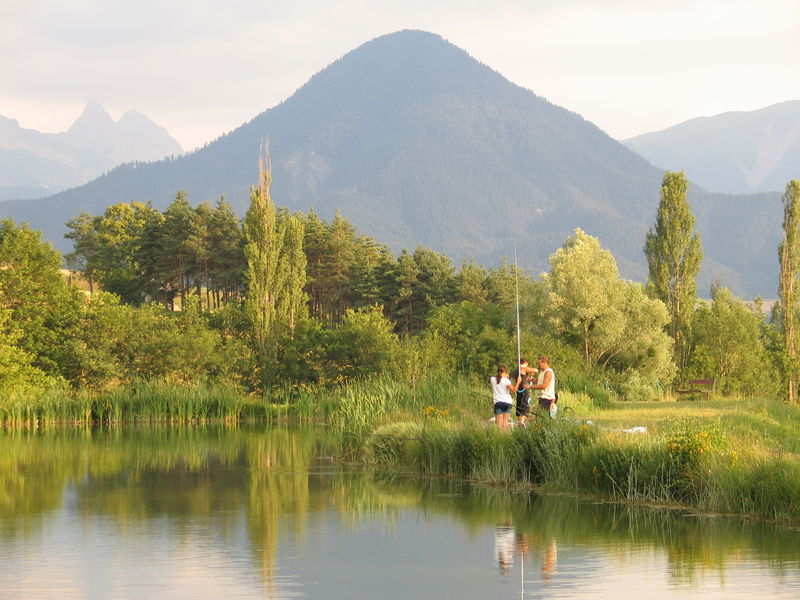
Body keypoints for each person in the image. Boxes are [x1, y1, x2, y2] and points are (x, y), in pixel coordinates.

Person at [491, 364, 521, 429]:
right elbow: (514, 390)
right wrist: (518, 382)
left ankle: (500, 437)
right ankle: (505, 436)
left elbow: (498, 378)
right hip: (507, 403)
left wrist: (505, 377)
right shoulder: (506, 381)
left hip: (498, 403)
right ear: (505, 372)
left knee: (499, 424)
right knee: (505, 423)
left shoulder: (493, 379)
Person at [511, 357, 536, 426]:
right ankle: (521, 424)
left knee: (521, 411)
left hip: (519, 392)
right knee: (523, 411)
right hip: (524, 392)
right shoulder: (523, 368)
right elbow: (535, 370)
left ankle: (522, 423)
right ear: (526, 363)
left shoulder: (516, 371)